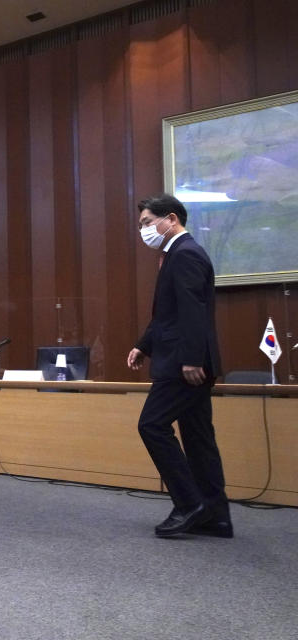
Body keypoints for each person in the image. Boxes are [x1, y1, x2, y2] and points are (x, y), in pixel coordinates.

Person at [127, 194, 231, 538]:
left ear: (170, 218)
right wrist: (144, 345)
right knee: (199, 437)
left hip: (184, 365)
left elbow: (192, 311)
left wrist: (190, 359)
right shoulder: (175, 255)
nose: (143, 230)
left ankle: (189, 503)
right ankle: (215, 516)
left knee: (152, 425)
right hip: (183, 359)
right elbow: (167, 314)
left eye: (146, 222)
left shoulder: (185, 254)